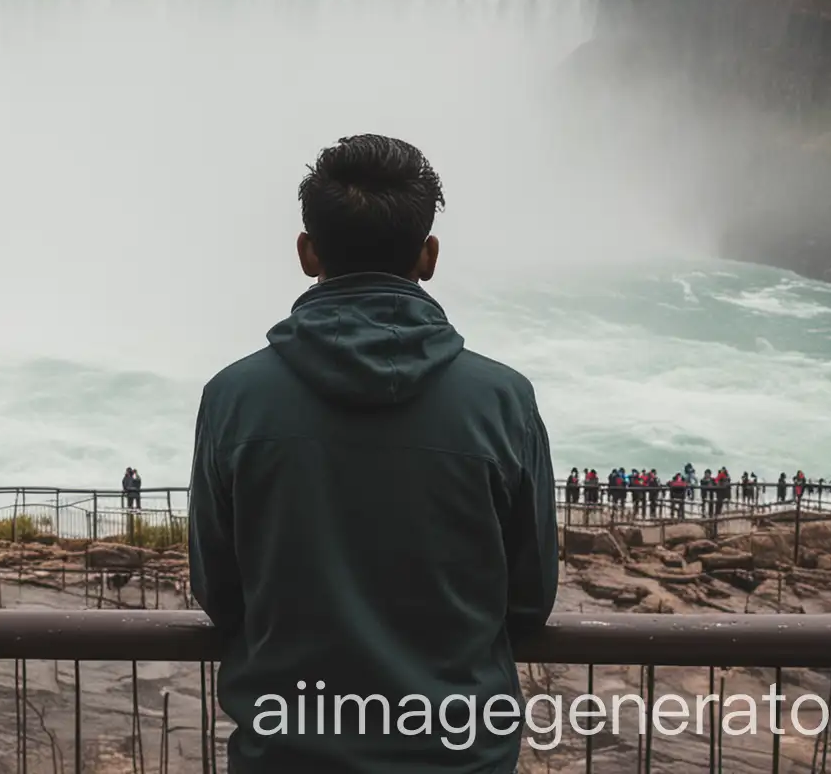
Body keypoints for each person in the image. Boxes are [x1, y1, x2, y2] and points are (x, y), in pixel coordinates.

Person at [189, 134, 557, 771]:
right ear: (428, 255)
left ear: (307, 252)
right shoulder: (504, 402)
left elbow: (220, 592)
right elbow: (529, 598)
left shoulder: (233, 399)